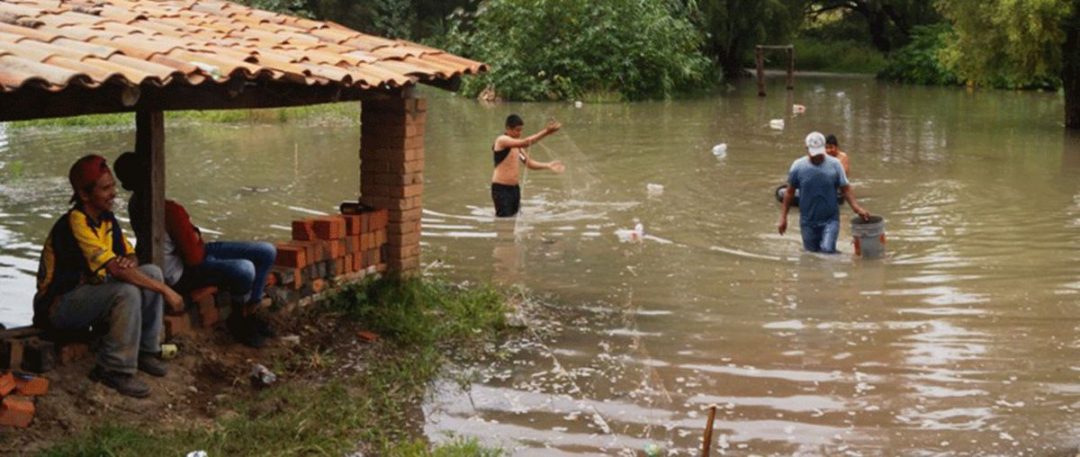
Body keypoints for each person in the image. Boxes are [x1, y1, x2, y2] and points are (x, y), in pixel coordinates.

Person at [34, 155, 184, 398]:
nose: (114, 192)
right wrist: (166, 290)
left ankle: (146, 350)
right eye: (106, 188)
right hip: (57, 305)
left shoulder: (106, 219)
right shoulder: (76, 221)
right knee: (126, 290)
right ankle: (114, 369)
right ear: (84, 195)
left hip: (90, 293)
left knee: (151, 271)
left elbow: (129, 256)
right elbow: (115, 270)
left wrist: (129, 261)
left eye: (113, 185)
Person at [113, 152, 276, 348]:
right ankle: (240, 317)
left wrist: (194, 236)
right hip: (181, 271)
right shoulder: (168, 209)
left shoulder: (136, 203)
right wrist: (194, 236)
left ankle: (252, 309)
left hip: (185, 255)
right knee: (245, 269)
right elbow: (194, 258)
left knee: (266, 251)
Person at [778, 132, 871, 253]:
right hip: (807, 221)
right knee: (811, 254)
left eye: (819, 152)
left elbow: (845, 188)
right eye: (813, 153)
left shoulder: (835, 165)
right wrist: (783, 218)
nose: (817, 157)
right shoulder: (798, 166)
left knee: (827, 251)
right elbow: (789, 192)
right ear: (807, 149)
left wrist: (857, 208)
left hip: (830, 219)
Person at [491, 114, 564, 217]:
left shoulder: (517, 146)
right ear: (508, 128)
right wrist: (546, 132)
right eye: (517, 130)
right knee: (504, 220)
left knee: (514, 218)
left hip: (514, 189)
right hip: (501, 189)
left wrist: (547, 165)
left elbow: (529, 163)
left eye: (521, 130)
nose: (519, 133)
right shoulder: (502, 140)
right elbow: (526, 142)